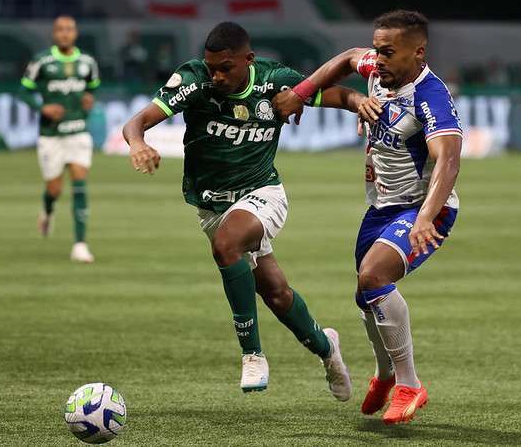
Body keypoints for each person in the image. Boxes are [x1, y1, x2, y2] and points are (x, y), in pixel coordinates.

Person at [122, 22, 364, 399]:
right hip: (212, 205)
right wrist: (138, 143)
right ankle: (327, 348)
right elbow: (136, 122)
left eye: (225, 67)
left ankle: (252, 355)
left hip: (263, 193)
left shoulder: (276, 81)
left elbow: (334, 95)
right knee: (277, 294)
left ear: (247, 60)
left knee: (226, 245)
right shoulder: (193, 79)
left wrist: (358, 104)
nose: (216, 75)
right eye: (212, 67)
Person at [273, 10, 462, 424]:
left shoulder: (431, 96)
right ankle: (385, 372)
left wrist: (426, 217)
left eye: (388, 52)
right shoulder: (378, 70)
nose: (377, 59)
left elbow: (447, 160)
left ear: (418, 52)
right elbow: (344, 60)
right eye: (376, 49)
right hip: (380, 208)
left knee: (374, 278)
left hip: (424, 208)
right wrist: (302, 92)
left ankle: (410, 383)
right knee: (367, 296)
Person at [19, 15, 100, 263]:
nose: (65, 33)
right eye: (60, 30)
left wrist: (88, 98)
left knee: (79, 182)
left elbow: (92, 87)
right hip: (51, 135)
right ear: (54, 34)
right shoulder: (42, 61)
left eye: (70, 29)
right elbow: (24, 90)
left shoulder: (87, 62)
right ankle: (47, 209)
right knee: (54, 189)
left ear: (75, 33)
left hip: (78, 131)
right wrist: (41, 108)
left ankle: (80, 244)